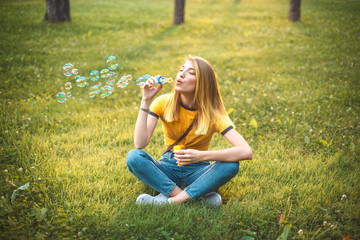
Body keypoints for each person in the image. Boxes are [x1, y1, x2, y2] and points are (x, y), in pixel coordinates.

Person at [126, 55, 253, 206]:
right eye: (181, 70)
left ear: (203, 83)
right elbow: (139, 144)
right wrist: (145, 100)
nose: (181, 74)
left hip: (198, 170)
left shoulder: (213, 114)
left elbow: (246, 151)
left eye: (191, 72)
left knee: (231, 165)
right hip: (168, 167)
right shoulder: (162, 103)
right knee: (134, 157)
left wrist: (200, 156)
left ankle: (167, 200)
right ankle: (194, 197)